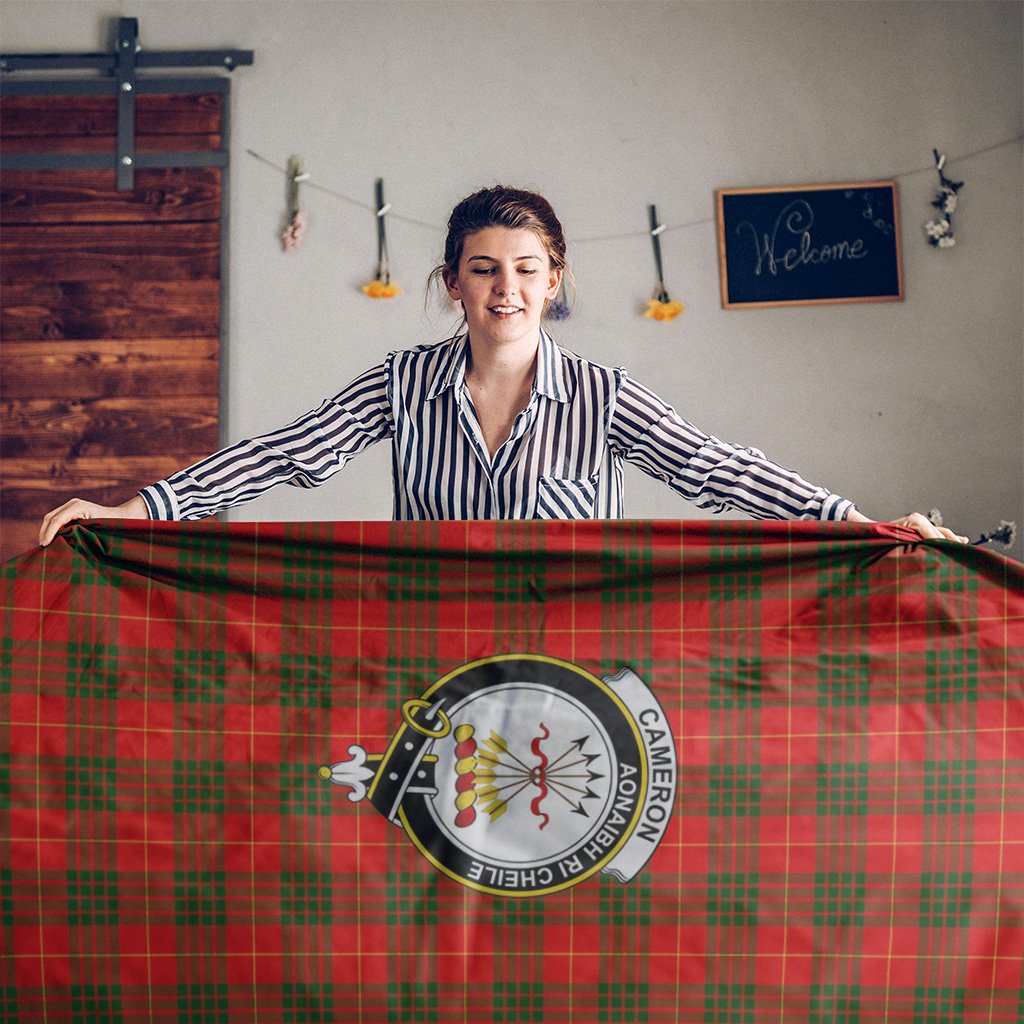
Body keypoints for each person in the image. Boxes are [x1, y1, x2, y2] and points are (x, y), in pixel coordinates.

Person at [38, 186, 967, 546]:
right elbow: (283, 455)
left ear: (555, 281)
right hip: (430, 657)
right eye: (484, 270)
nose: (506, 289)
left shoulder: (604, 397)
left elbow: (717, 468)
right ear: (453, 283)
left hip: (578, 663)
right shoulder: (402, 382)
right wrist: (138, 510)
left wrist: (856, 523)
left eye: (526, 271)